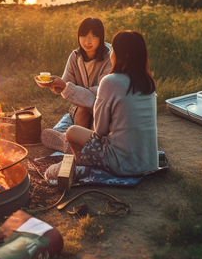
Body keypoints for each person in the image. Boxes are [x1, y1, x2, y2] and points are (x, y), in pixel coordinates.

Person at [64, 30, 158, 176]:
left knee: (72, 131)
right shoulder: (148, 83)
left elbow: (100, 130)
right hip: (149, 162)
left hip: (121, 164)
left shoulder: (110, 81)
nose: (111, 53)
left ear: (123, 55)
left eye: (113, 49)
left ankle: (81, 167)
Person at [37, 17, 112, 152]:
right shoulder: (75, 56)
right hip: (81, 109)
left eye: (94, 36)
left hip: (103, 106)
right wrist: (56, 86)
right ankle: (77, 146)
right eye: (83, 35)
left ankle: (71, 144)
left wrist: (68, 88)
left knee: (96, 115)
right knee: (83, 108)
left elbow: (103, 91)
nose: (87, 41)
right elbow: (67, 85)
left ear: (101, 37)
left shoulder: (110, 58)